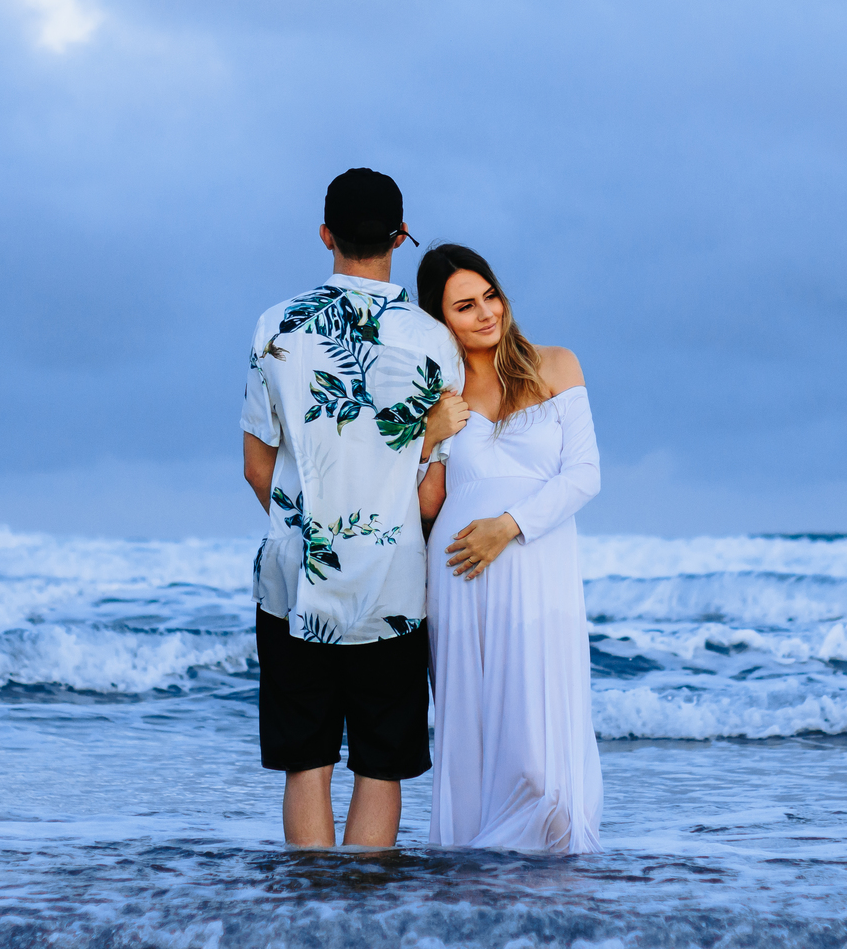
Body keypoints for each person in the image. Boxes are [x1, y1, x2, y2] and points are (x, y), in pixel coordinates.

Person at [240, 169, 466, 848]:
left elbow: (256, 466)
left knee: (306, 763)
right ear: (400, 236)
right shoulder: (434, 341)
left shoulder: (276, 325)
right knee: (380, 767)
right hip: (391, 582)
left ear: (325, 235)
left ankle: (310, 905)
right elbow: (432, 494)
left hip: (293, 577)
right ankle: (365, 906)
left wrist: (311, 526)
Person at [416, 243, 604, 854]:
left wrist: (510, 525)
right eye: (464, 306)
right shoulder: (440, 393)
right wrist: (426, 440)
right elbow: (424, 502)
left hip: (538, 568)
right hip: (460, 578)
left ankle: (551, 870)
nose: (485, 313)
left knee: (539, 758)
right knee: (471, 737)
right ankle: (474, 881)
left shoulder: (556, 365)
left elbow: (585, 476)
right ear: (440, 319)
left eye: (489, 296)